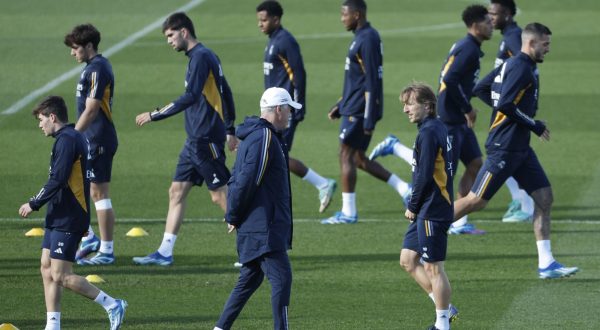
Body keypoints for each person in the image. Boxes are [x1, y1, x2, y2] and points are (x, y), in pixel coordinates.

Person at [467, 23, 579, 279]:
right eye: (546, 44)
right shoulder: (521, 68)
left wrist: (504, 111)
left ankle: (546, 263)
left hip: (520, 148)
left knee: (544, 197)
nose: (548, 49)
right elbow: (506, 103)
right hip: (503, 147)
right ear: (532, 43)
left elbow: (482, 89)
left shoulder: (515, 64)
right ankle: (428, 224)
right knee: (476, 201)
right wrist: (533, 124)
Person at [133, 12, 237, 266]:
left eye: (170, 35)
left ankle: (253, 248)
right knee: (176, 191)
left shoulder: (201, 57)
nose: (168, 41)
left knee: (220, 195)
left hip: (205, 139)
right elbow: (227, 92)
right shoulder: (202, 57)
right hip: (194, 140)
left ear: (184, 32)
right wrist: (231, 128)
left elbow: (190, 96)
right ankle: (165, 252)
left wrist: (154, 114)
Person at [19, 96, 126, 330]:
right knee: (46, 267)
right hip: (58, 215)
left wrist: (33, 203)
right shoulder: (71, 136)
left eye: (41, 120)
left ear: (52, 117)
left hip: (69, 217)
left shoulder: (67, 140)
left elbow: (58, 179)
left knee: (61, 275)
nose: (40, 125)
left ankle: (112, 304)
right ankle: (53, 325)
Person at [322, 0, 412, 224]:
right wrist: (339, 104)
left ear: (357, 14)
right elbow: (357, 81)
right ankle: (404, 189)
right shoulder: (362, 37)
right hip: (353, 107)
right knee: (359, 158)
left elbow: (372, 80)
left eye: (345, 14)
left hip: (360, 110)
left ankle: (348, 213)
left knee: (345, 155)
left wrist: (369, 116)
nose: (342, 18)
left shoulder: (368, 38)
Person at [214, 87, 296, 330]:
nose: (291, 114)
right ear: (279, 109)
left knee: (249, 280)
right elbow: (248, 180)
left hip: (258, 224)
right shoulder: (265, 139)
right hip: (264, 227)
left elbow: (238, 179)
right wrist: (234, 214)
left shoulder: (256, 136)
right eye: (289, 109)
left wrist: (235, 215)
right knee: (282, 279)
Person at [256, 0, 337, 213]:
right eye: (259, 20)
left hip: (284, 111)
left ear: (276, 19)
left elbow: (299, 73)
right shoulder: (273, 40)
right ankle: (320, 184)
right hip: (273, 110)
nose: (260, 24)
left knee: (276, 155)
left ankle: (319, 185)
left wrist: (298, 107)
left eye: (264, 20)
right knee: (277, 155)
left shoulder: (285, 41)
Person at [397, 83, 457, 330]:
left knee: (433, 268)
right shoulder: (434, 128)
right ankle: (444, 307)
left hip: (432, 208)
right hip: (428, 207)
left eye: (410, 104)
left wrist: (412, 204)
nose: (405, 110)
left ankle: (442, 324)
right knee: (408, 260)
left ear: (428, 106)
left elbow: (424, 174)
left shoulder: (430, 132)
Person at [63, 24, 119, 265]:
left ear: (88, 46)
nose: (72, 53)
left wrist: (72, 136)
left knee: (99, 193)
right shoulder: (92, 68)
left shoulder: (98, 69)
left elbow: (92, 108)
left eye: (75, 48)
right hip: (91, 139)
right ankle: (91, 238)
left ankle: (105, 250)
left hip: (98, 139)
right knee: (82, 189)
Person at [434, 4, 492, 235]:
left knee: (476, 163)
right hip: (451, 118)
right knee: (445, 173)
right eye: (487, 22)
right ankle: (434, 220)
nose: (491, 26)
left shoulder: (469, 46)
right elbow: (450, 79)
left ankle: (458, 222)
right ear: (476, 25)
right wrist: (467, 108)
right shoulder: (467, 48)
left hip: (458, 119)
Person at [488, 0, 534, 223]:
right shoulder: (508, 35)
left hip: (509, 107)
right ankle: (520, 201)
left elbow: (526, 66)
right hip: (504, 104)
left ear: (506, 14)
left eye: (494, 13)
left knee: (507, 153)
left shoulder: (514, 36)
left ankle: (524, 205)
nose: (490, 18)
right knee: (505, 153)